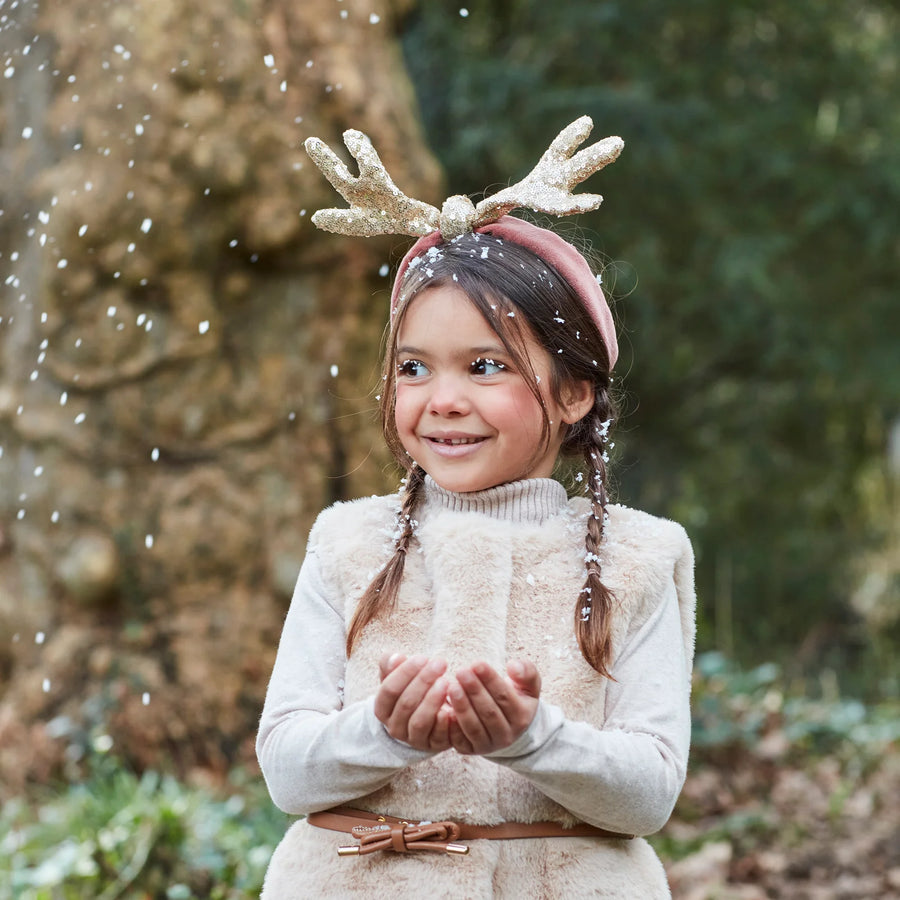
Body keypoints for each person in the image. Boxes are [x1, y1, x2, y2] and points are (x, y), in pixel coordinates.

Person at [257, 117, 696, 898]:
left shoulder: (639, 561)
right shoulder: (345, 544)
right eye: (415, 367)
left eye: (485, 366)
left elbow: (650, 792)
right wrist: (384, 734)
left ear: (574, 392)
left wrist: (534, 740)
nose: (443, 400)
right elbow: (288, 771)